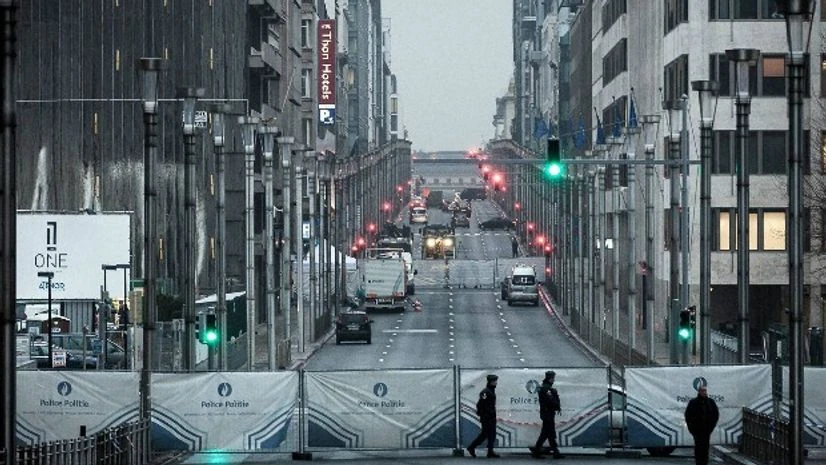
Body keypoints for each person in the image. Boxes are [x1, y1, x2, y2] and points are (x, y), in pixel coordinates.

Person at [684, 383, 719, 465]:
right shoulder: (693, 402)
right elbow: (688, 416)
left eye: (705, 391)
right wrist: (691, 428)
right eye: (703, 391)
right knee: (698, 448)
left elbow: (715, 415)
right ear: (699, 392)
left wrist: (711, 427)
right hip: (697, 430)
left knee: (705, 448)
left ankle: (704, 462)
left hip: (707, 430)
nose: (704, 392)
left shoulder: (710, 402)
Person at [531, 371, 564, 459]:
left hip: (547, 413)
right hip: (547, 414)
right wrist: (557, 405)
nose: (554, 380)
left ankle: (553, 452)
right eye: (553, 378)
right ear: (550, 378)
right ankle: (541, 451)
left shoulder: (546, 388)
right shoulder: (546, 389)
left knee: (548, 433)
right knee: (548, 433)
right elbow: (550, 401)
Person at [467, 374, 500, 458]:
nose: (496, 383)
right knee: (485, 434)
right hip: (487, 417)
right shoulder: (485, 392)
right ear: (490, 382)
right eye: (494, 381)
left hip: (490, 416)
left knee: (491, 434)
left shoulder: (490, 391)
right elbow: (481, 404)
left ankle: (490, 451)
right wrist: (487, 413)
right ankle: (472, 447)